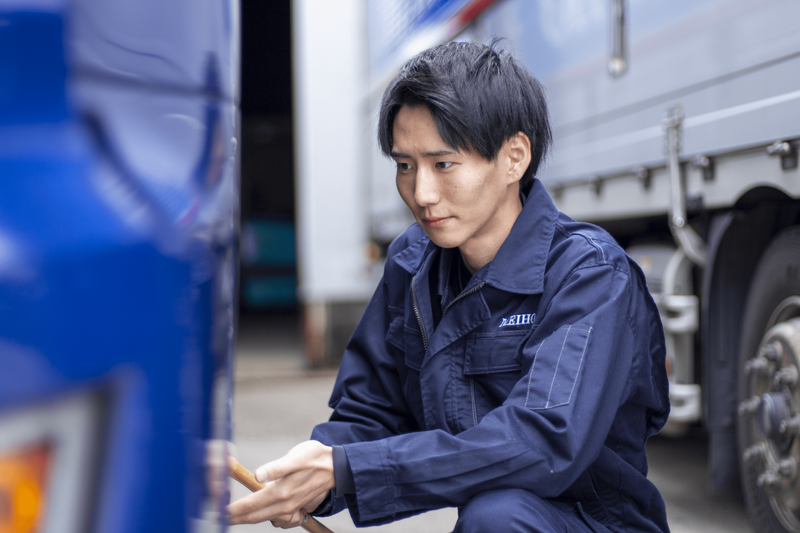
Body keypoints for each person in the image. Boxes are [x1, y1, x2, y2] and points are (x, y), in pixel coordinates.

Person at [228, 41, 670, 533]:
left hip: (595, 524)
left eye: (443, 164)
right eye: (405, 165)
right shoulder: (412, 264)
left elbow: (543, 440)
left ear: (514, 158)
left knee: (497, 518)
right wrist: (315, 473)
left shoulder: (589, 274)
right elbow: (374, 409)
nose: (421, 193)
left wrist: (351, 469)